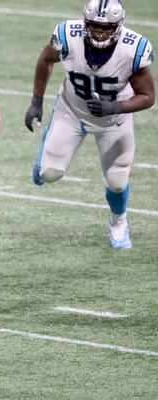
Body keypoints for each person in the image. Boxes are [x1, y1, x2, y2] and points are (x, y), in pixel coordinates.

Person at [25, 0, 154, 249]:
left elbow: (148, 97)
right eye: (94, 25)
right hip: (71, 111)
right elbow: (45, 60)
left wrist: (115, 107)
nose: (99, 31)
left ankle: (118, 223)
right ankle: (41, 162)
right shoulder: (67, 35)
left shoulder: (133, 47)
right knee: (48, 174)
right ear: (85, 23)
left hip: (114, 119)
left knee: (117, 181)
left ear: (118, 27)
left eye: (106, 28)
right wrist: (36, 102)